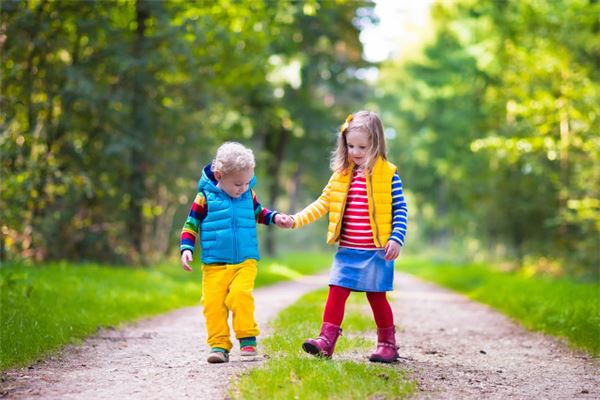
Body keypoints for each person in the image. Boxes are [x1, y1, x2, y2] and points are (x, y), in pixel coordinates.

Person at [290, 111, 408, 363]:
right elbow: (322, 204)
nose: (355, 151)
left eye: (362, 146)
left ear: (376, 144)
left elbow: (400, 208)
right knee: (336, 291)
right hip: (347, 251)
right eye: (350, 145)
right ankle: (326, 341)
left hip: (376, 251)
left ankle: (388, 344)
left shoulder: (388, 174)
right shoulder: (341, 175)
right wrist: (295, 219)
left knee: (377, 297)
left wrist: (397, 238)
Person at [180, 142, 292, 364]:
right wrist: (186, 248)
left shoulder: (247, 194)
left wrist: (276, 217)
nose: (243, 187)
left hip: (245, 261)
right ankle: (219, 345)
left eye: (248, 182)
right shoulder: (205, 197)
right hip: (214, 263)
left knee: (240, 295)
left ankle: (247, 337)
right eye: (238, 183)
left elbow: (260, 213)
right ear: (219, 175)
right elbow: (191, 224)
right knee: (213, 305)